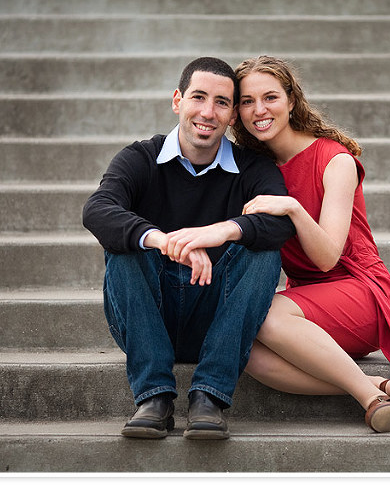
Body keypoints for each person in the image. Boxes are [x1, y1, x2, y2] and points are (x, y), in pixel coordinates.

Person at [82, 57, 295, 440]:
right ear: (178, 100)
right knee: (125, 245)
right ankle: (154, 398)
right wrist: (166, 240)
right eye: (199, 97)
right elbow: (98, 209)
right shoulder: (140, 158)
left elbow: (280, 222)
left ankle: (209, 397)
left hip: (218, 318)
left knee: (264, 250)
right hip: (149, 316)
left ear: (233, 116)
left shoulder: (253, 169)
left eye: (222, 103)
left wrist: (220, 232)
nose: (207, 112)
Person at [231, 55, 390, 432]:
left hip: (359, 290)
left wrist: (295, 209)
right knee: (243, 349)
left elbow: (328, 256)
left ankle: (370, 400)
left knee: (262, 316)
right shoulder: (253, 169)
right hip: (307, 308)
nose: (259, 110)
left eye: (270, 97)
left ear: (292, 100)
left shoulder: (334, 160)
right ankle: (382, 386)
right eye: (247, 101)